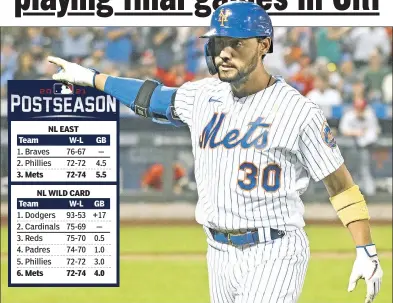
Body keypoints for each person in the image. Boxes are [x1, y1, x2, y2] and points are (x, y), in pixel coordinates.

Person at [47, 2, 383, 302]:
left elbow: (340, 186)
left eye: (236, 42)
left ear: (264, 45)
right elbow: (150, 97)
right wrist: (93, 79)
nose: (224, 52)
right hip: (217, 251)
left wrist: (365, 249)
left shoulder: (298, 111)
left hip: (274, 249)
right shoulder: (202, 95)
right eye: (218, 42)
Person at [339, 99, 381, 196]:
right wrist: (356, 133)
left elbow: (375, 131)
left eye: (361, 109)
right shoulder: (349, 115)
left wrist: (364, 139)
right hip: (349, 147)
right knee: (350, 169)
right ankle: (351, 193)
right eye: (358, 109)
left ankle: (369, 192)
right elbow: (343, 130)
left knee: (365, 169)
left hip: (365, 147)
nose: (360, 111)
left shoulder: (370, 115)